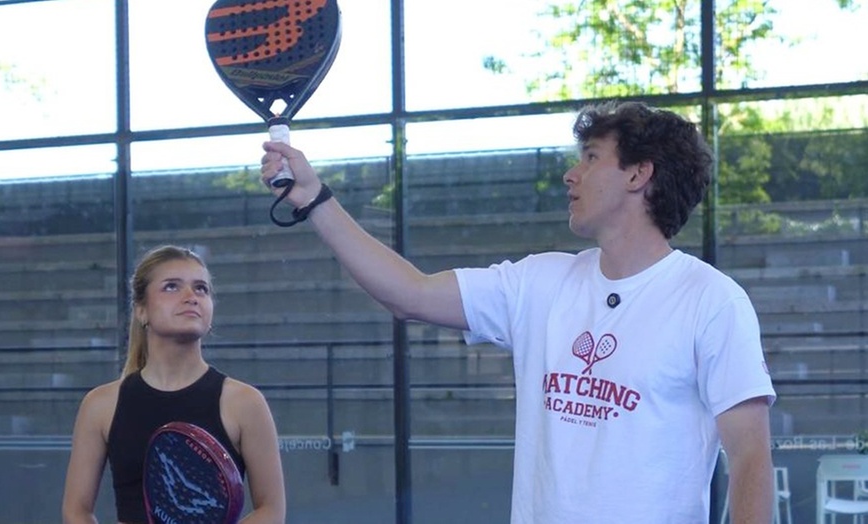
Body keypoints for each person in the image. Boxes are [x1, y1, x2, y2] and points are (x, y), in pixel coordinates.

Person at [259, 100, 776, 523]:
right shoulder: (541, 281)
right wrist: (314, 198)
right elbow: (408, 293)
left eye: (591, 157)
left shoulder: (711, 300)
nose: (571, 175)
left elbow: (750, 456)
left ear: (639, 174)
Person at [62, 245, 286, 524]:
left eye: (201, 288)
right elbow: (76, 511)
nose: (191, 297)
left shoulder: (245, 402)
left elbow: (271, 510)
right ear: (141, 310)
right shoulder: (101, 405)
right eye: (172, 287)